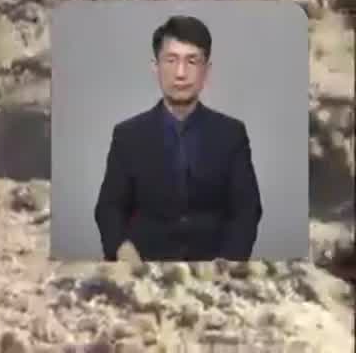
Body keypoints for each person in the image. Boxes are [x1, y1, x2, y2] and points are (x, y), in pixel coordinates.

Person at [93, 14, 262, 262]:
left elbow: (247, 210)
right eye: (171, 60)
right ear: (155, 67)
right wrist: (121, 248)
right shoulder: (127, 135)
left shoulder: (231, 134)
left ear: (207, 70)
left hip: (213, 271)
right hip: (144, 268)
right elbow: (109, 208)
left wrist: (228, 262)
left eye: (192, 61)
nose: (180, 73)